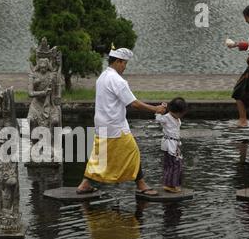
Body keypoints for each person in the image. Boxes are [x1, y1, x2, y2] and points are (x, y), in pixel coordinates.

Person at [76, 48, 167, 196]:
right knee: (133, 152)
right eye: (124, 63)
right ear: (118, 62)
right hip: (115, 126)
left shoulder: (102, 77)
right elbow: (134, 103)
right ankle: (141, 184)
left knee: (100, 156)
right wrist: (155, 109)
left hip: (102, 124)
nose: (125, 67)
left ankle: (85, 184)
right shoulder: (117, 80)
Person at [156, 97, 188, 193]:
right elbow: (158, 120)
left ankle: (171, 184)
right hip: (170, 145)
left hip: (175, 144)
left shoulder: (175, 117)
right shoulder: (166, 117)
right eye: (180, 114)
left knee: (174, 164)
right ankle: (170, 185)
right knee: (174, 165)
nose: (180, 116)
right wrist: (159, 110)